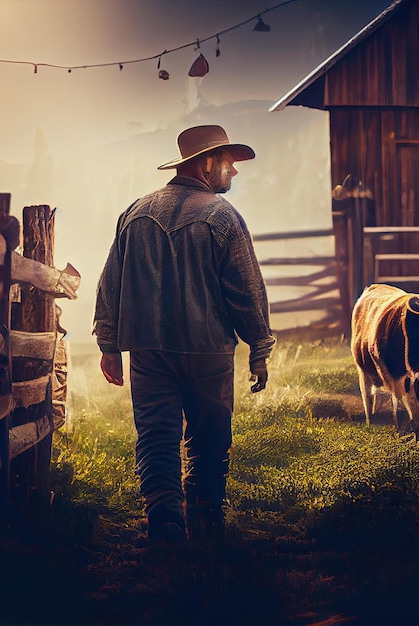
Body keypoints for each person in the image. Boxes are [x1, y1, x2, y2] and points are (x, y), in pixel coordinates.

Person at [93, 125, 275, 543]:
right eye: (227, 161)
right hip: (206, 349)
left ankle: (165, 521)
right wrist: (259, 347)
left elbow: (110, 284)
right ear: (206, 163)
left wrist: (109, 344)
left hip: (147, 350)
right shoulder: (222, 216)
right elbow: (245, 291)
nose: (233, 170)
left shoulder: (135, 213)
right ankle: (206, 515)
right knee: (210, 435)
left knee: (156, 434)